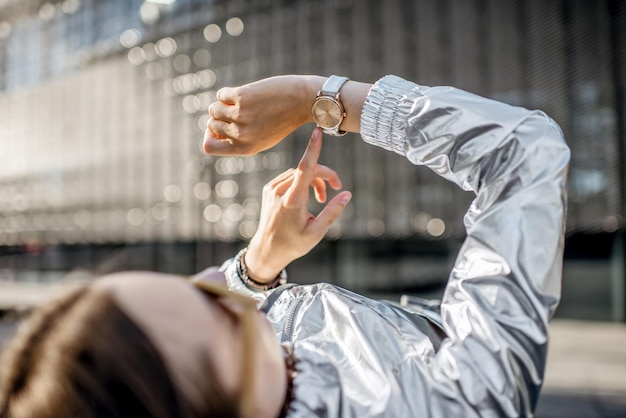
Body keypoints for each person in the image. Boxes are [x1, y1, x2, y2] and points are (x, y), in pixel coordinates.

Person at [0, 74, 570, 418]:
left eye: (202, 288)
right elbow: (522, 154)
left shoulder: (257, 376)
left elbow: (222, 305)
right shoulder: (448, 406)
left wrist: (259, 261)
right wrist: (322, 98)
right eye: (222, 314)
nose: (236, 294)